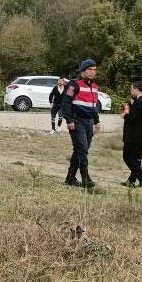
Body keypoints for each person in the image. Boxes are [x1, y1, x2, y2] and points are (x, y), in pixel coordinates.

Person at [61, 59, 102, 188]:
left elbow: (94, 106)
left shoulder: (94, 87)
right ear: (83, 70)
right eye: (90, 69)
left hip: (89, 122)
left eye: (94, 70)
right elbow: (66, 103)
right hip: (77, 121)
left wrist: (97, 122)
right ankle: (86, 179)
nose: (92, 72)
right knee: (83, 150)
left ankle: (70, 178)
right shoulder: (73, 85)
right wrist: (69, 120)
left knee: (80, 151)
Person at [121, 81, 142, 188]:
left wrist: (124, 115)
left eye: (131, 89)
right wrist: (131, 104)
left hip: (133, 135)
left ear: (136, 89)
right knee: (137, 159)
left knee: (127, 157)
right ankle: (131, 181)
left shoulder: (139, 102)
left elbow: (132, 117)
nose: (131, 91)